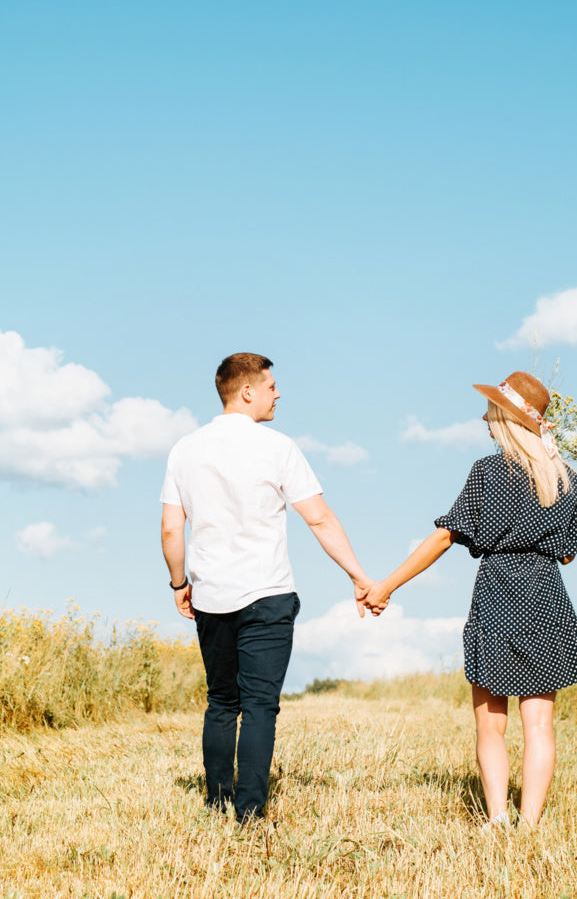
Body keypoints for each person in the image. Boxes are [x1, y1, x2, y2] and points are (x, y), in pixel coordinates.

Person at [364, 371, 577, 826]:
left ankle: (497, 820)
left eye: (490, 411)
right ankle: (529, 825)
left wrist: (386, 585)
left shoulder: (487, 471)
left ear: (506, 417)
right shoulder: (566, 476)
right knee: (541, 725)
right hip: (546, 597)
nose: (484, 418)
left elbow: (445, 536)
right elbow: (567, 554)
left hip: (496, 595)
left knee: (491, 724)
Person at [160, 352, 373, 823]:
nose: (279, 393)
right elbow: (318, 516)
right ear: (247, 391)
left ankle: (216, 803)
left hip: (211, 594)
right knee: (260, 705)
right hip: (268, 593)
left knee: (221, 702)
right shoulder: (278, 447)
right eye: (272, 385)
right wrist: (358, 575)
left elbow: (173, 529)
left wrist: (180, 583)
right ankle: (250, 812)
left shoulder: (185, 449)